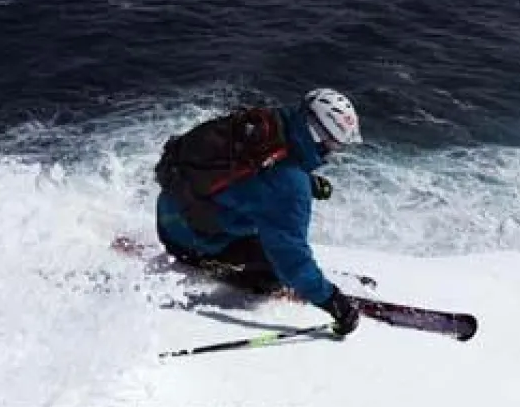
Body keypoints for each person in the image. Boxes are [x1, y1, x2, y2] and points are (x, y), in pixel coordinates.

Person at [154, 88, 363, 336]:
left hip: (172, 207)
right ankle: (213, 263)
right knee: (276, 271)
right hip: (187, 238)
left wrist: (308, 183)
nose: (333, 152)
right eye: (334, 144)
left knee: (265, 223)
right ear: (317, 136)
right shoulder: (289, 187)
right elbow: (292, 261)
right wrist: (333, 302)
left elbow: (255, 176)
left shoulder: (266, 126)